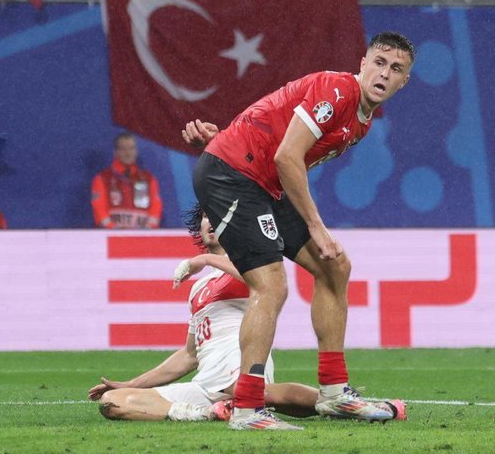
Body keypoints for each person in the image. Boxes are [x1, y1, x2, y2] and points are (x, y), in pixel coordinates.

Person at [181, 31, 415, 429]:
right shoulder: (337, 90)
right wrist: (316, 226)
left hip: (259, 180)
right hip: (235, 177)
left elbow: (273, 132)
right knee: (272, 284)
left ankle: (335, 392)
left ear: (403, 82)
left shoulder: (362, 122)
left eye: (395, 69)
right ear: (362, 64)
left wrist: (226, 138)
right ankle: (248, 408)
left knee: (335, 268)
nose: (384, 74)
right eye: (378, 62)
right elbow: (287, 156)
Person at [88, 210, 406, 424]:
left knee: (257, 393)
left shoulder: (254, 261)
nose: (210, 222)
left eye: (218, 215)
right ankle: (205, 414)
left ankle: (368, 408)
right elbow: (188, 355)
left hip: (239, 367)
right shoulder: (198, 286)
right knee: (114, 403)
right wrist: (132, 383)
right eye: (205, 217)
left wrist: (204, 258)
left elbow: (258, 281)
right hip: (204, 383)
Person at [91, 132, 162, 230]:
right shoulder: (102, 178)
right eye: (123, 149)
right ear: (115, 152)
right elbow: (99, 208)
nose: (128, 153)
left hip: (143, 237)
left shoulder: (148, 179)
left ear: (136, 151)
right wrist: (113, 229)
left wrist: (148, 228)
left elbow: (156, 207)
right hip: (112, 236)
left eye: (131, 148)